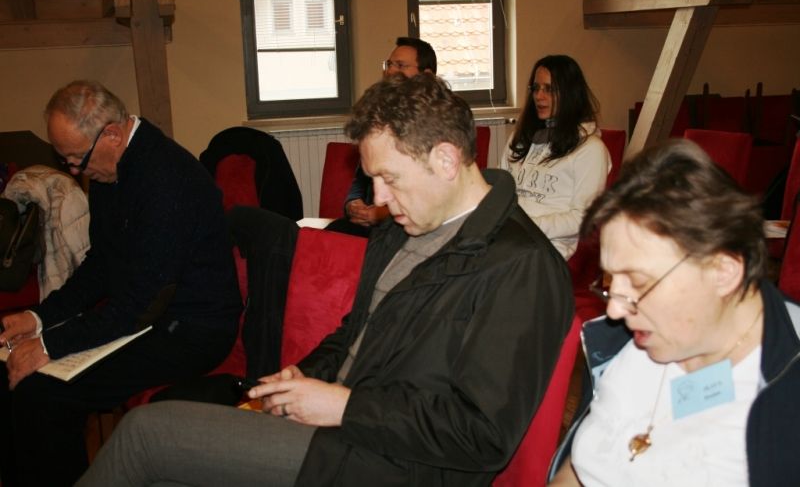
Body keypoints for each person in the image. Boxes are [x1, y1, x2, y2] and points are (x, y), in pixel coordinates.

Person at [79, 73, 574, 487]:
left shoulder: (520, 267)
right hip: (344, 430)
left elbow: (481, 435)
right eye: (372, 179)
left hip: (395, 465)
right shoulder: (400, 230)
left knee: (145, 433)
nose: (377, 199)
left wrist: (345, 407)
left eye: (390, 178)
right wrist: (305, 375)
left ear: (445, 159)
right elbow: (354, 333)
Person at [0, 80, 242, 487]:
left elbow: (140, 304)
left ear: (111, 133)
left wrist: (48, 346)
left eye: (76, 159)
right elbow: (102, 265)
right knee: (11, 368)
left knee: (43, 394)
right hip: (150, 315)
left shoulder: (166, 180)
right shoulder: (111, 168)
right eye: (65, 160)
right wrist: (38, 318)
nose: (74, 171)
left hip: (191, 330)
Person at [548, 140, 800, 487]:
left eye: (638, 282)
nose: (615, 310)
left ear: (723, 271)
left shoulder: (785, 394)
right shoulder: (627, 342)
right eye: (609, 281)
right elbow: (580, 468)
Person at [501, 54, 610, 260]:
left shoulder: (591, 149)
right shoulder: (519, 139)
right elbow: (503, 191)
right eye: (536, 88)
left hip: (549, 247)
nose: (539, 96)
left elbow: (583, 217)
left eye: (549, 89)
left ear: (570, 94)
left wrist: (528, 226)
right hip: (511, 236)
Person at [337, 36, 437, 234]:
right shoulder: (381, 116)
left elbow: (430, 194)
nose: (390, 71)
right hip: (368, 223)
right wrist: (352, 203)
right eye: (389, 64)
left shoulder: (436, 124)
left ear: (426, 76)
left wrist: (384, 214)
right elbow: (362, 177)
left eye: (400, 65)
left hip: (406, 228)